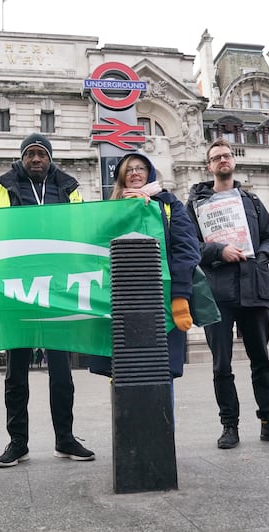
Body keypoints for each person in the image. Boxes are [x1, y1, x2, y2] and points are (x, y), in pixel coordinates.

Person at [0, 133, 95, 467]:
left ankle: (65, 439)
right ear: (21, 158)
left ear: (50, 158)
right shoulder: (2, 186)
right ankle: (18, 441)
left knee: (61, 371)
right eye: (30, 154)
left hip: (57, 288)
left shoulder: (70, 187)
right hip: (16, 287)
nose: (35, 159)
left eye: (41, 154)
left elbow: (84, 230)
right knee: (15, 372)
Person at [186, 138, 269, 448]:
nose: (222, 160)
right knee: (221, 365)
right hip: (217, 293)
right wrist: (218, 251)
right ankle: (230, 426)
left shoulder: (251, 201)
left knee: (261, 360)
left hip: (253, 288)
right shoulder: (196, 204)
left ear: (233, 161)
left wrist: (260, 258)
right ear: (209, 166)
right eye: (216, 158)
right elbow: (187, 247)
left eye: (226, 156)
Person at [98, 152, 201, 389]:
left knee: (161, 372)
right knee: (124, 372)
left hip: (160, 299)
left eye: (140, 168)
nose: (135, 173)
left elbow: (186, 250)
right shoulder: (110, 208)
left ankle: (164, 427)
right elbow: (98, 248)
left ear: (150, 173)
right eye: (129, 169)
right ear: (121, 176)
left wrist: (180, 295)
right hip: (121, 301)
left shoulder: (169, 203)